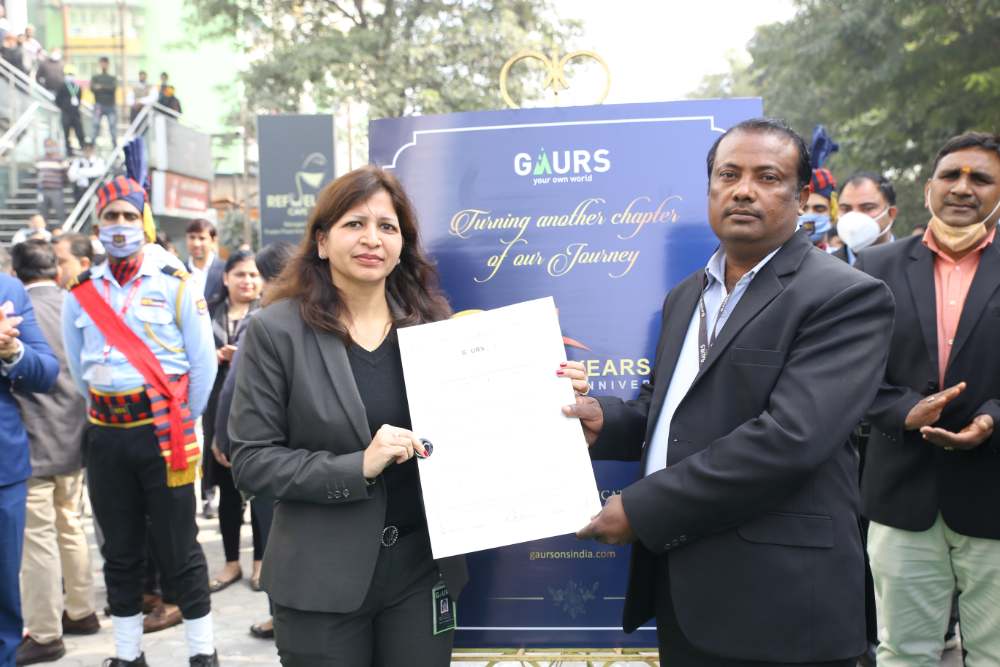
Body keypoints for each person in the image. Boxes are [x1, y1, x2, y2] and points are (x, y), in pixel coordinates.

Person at [568, 118, 895, 666]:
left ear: (803, 196)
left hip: (786, 606)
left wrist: (643, 509)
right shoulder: (686, 295)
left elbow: (790, 439)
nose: (743, 190)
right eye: (728, 175)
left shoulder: (845, 296)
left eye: (767, 177)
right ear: (710, 189)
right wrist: (606, 421)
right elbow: (672, 411)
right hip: (687, 596)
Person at [227, 166, 474, 666]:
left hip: (421, 570)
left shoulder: (433, 326)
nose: (372, 239)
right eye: (354, 224)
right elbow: (251, 462)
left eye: (387, 226)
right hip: (320, 581)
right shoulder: (276, 332)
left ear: (402, 244)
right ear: (321, 241)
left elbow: (476, 428)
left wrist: (544, 383)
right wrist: (356, 467)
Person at [61, 170, 219, 666]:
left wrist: (181, 420)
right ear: (97, 226)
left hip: (164, 436)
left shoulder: (174, 281)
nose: (120, 224)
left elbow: (203, 364)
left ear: (145, 221)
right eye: (111, 216)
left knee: (179, 548)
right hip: (106, 438)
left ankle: (202, 654)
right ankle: (128, 656)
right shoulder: (81, 290)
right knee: (120, 552)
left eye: (130, 215)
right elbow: (78, 368)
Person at [854, 131, 1000, 666]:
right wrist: (902, 411)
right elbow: (850, 372)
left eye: (980, 178)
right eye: (951, 175)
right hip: (902, 493)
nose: (963, 187)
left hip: (993, 488)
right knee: (903, 652)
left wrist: (992, 418)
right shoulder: (874, 267)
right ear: (929, 187)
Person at [10, 241, 98, 666]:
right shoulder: (75, 304)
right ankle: (81, 610)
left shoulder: (15, 310)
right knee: (71, 524)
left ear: (16, 272)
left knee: (37, 538)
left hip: (32, 438)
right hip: (74, 434)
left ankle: (45, 632)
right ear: (56, 269)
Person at [213, 241, 295, 640]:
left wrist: (221, 438)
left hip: (269, 449)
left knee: (275, 538)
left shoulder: (264, 320)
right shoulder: (324, 313)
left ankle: (279, 617)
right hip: (311, 455)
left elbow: (234, 388)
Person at [0, 272, 59, 667]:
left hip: (3, 470)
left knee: (4, 598)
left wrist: (11, 350)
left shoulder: (7, 290)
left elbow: (46, 371)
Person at [203, 250, 263, 594]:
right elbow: (193, 356)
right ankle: (230, 563)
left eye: (254, 275)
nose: (247, 281)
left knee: (260, 492)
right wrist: (214, 356)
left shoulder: (267, 314)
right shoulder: (207, 313)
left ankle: (260, 562)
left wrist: (244, 358)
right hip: (217, 410)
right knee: (227, 491)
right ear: (226, 277)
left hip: (256, 412)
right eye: (240, 274)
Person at [834, 171, 897, 264]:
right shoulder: (823, 266)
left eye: (868, 208)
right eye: (846, 209)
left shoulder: (917, 264)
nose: (854, 217)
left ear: (891, 214)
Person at [35, 141, 67, 225]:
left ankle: (63, 227)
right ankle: (43, 229)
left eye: (50, 146)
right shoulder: (40, 159)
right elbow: (37, 172)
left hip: (56, 189)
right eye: (47, 146)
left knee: (59, 210)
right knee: (43, 212)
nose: (49, 148)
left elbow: (65, 174)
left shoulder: (60, 159)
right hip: (43, 190)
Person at [55, 69, 86, 156]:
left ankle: (83, 148)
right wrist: (63, 106)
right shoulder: (62, 86)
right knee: (66, 132)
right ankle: (68, 150)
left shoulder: (78, 87)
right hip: (66, 113)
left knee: (79, 131)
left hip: (75, 113)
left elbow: (79, 98)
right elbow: (57, 100)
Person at [89, 57, 118, 145]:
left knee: (112, 126)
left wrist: (101, 87)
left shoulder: (112, 78)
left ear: (108, 64)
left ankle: (115, 146)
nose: (104, 65)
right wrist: (106, 88)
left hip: (110, 105)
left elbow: (113, 88)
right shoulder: (95, 77)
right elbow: (92, 88)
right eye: (102, 63)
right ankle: (91, 146)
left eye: (105, 63)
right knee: (95, 125)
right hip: (98, 105)